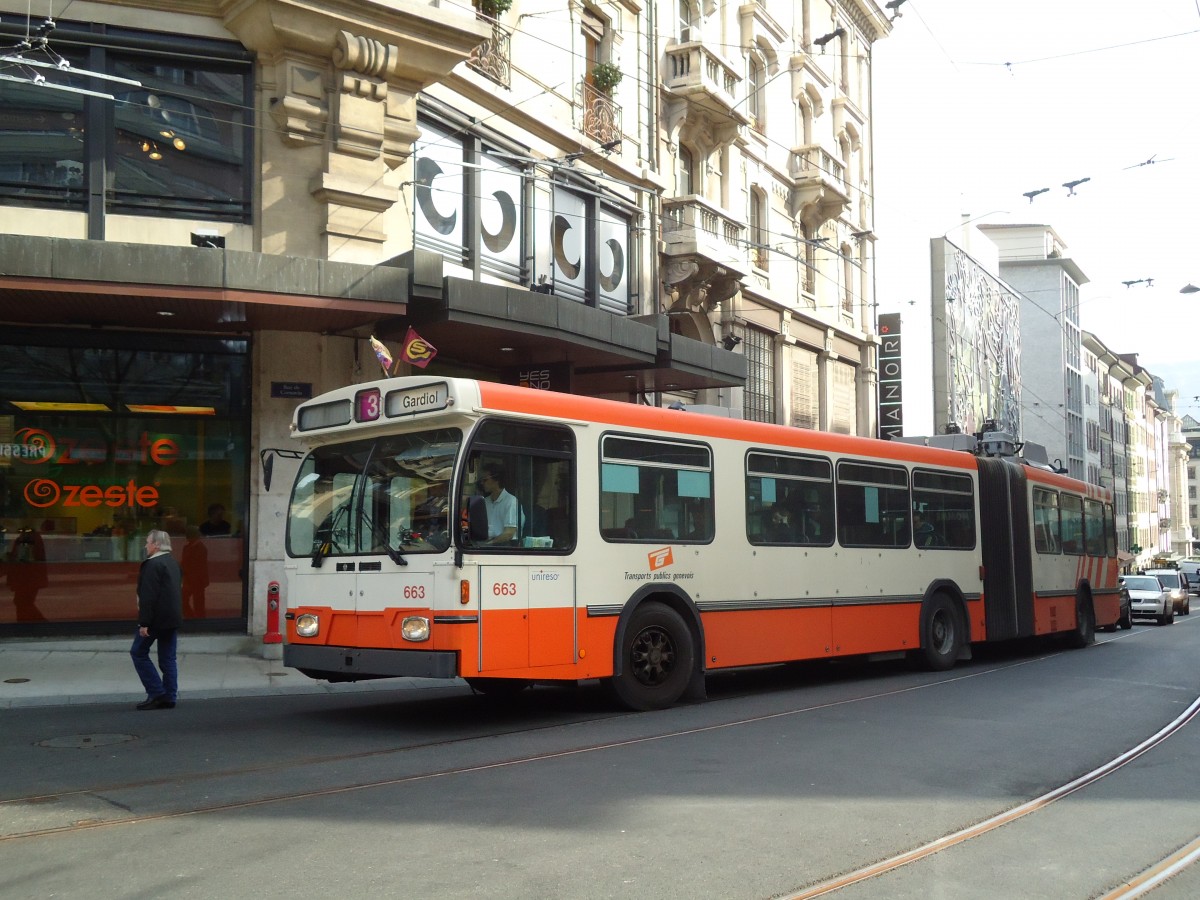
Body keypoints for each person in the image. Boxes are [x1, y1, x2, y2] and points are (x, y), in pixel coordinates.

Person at [130, 529, 183, 710]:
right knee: (168, 658)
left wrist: (144, 623)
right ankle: (169, 696)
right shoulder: (172, 562)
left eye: (148, 542)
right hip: (172, 618)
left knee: (138, 652)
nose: (146, 545)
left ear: (157, 544)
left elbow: (148, 596)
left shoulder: (152, 565)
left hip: (156, 619)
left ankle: (157, 693)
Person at [6, 527, 48, 622]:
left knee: (22, 601)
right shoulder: (32, 538)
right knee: (23, 601)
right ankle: (35, 623)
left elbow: (23, 558)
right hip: (29, 577)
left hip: (26, 578)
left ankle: (34, 623)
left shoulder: (27, 539)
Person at [477, 464, 520, 545]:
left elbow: (509, 534)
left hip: (503, 547)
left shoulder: (511, 501)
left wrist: (489, 544)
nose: (482, 483)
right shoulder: (484, 502)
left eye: (485, 480)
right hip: (484, 544)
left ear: (496, 479)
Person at [180, 525, 209, 618]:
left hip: (196, 579)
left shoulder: (200, 548)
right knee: (184, 600)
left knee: (197, 603)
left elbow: (199, 566)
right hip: (190, 578)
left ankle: (196, 619)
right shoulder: (189, 547)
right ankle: (192, 618)